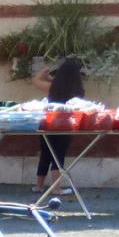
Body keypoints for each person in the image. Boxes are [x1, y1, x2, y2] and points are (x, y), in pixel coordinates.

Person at [31, 54, 86, 195]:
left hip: (48, 123)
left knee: (45, 154)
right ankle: (56, 188)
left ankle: (39, 186)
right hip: (66, 125)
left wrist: (45, 71)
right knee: (58, 155)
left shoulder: (52, 87)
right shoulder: (78, 91)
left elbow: (35, 80)